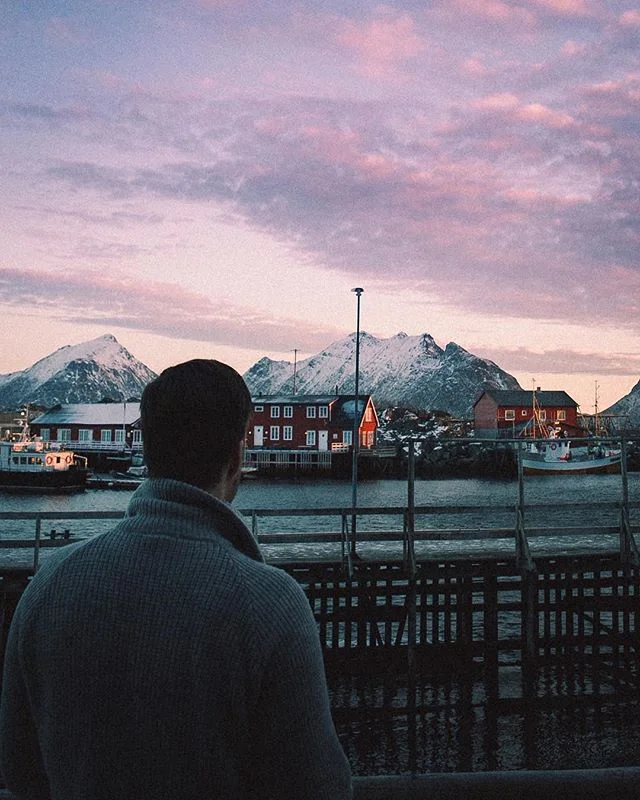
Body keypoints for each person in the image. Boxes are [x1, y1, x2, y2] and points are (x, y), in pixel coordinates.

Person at [0, 359, 352, 800]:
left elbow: (19, 771)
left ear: (147, 448)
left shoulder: (50, 583)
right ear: (237, 456)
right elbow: (317, 786)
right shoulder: (271, 604)